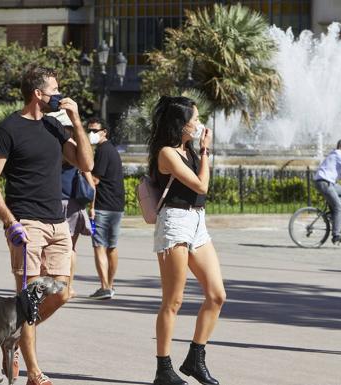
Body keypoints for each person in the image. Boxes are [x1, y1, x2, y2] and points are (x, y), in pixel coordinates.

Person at [0, 65, 93, 385]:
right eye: (55, 91)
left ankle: (12, 335)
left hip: (58, 224)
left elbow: (87, 164)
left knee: (62, 293)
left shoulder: (54, 128)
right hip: (26, 224)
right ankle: (34, 373)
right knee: (28, 299)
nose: (60, 96)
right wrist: (10, 222)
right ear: (38, 94)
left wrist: (76, 123)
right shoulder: (8, 129)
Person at [148, 96, 225, 385]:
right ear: (181, 124)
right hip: (175, 223)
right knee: (173, 300)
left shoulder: (189, 151)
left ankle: (195, 357)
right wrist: (205, 151)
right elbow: (201, 184)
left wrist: (200, 151)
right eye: (194, 118)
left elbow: (201, 191)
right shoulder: (167, 153)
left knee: (217, 295)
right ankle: (163, 368)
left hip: (197, 222)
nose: (198, 122)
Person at [49, 109, 95, 300]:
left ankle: (60, 286)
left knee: (54, 247)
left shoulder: (55, 146)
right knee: (70, 248)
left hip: (56, 201)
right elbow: (90, 178)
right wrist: (92, 205)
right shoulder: (76, 146)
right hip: (74, 202)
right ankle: (68, 286)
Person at [88, 117, 125, 300]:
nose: (91, 134)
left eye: (95, 131)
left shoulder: (102, 150)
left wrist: (83, 173)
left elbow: (95, 180)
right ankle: (110, 285)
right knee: (111, 246)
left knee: (99, 245)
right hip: (117, 206)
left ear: (104, 132)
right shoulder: (112, 150)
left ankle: (104, 287)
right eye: (90, 130)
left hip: (103, 206)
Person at [313, 138, 341, 243]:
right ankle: (336, 235)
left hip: (329, 183)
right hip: (324, 182)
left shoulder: (339, 156)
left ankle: (333, 216)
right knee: (339, 207)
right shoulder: (338, 154)